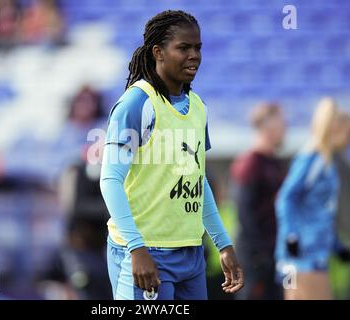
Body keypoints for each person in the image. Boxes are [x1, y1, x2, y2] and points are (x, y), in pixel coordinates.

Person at [100, 10, 243, 300]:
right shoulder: (137, 103)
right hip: (146, 253)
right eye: (184, 48)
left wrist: (223, 244)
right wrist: (136, 248)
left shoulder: (198, 107)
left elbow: (198, 183)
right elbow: (110, 180)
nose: (194, 55)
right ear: (158, 52)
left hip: (191, 254)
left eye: (198, 47)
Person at [275, 98, 350, 300]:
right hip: (299, 258)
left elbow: (321, 211)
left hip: (318, 254)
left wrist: (337, 245)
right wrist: (291, 236)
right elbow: (285, 198)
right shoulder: (311, 158)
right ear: (335, 128)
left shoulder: (328, 163)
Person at [230, 103, 286, 299]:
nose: (284, 129)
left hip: (274, 255)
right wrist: (260, 254)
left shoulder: (274, 162)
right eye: (281, 124)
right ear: (267, 126)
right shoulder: (251, 163)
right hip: (255, 258)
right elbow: (244, 212)